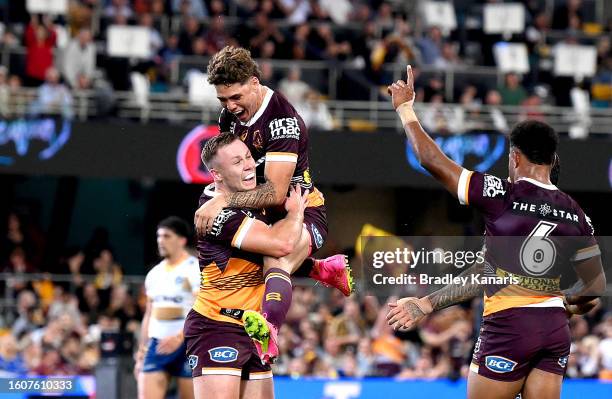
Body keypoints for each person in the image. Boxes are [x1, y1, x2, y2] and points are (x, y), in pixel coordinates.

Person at [386, 65, 606, 399]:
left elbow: (430, 159)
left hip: (510, 326)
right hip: (555, 331)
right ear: (552, 159)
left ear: (515, 157)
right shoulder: (576, 213)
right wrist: (564, 306)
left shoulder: (500, 192)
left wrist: (405, 108)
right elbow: (594, 287)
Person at [193, 46, 353, 363]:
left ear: (255, 82)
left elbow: (277, 193)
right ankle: (321, 269)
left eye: (236, 96)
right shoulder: (230, 116)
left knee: (275, 261)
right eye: (223, 100)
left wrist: (223, 199)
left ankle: (269, 330)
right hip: (262, 211)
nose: (230, 106)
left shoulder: (282, 121)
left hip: (300, 210)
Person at [184, 132, 309, 399]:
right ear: (217, 174)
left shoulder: (250, 197)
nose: (250, 165)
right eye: (237, 162)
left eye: (249, 157)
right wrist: (297, 213)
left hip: (254, 328)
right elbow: (283, 245)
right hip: (216, 325)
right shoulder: (217, 213)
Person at [135, 217, 199, 399]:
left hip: (187, 345)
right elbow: (149, 315)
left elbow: (200, 309)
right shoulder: (154, 274)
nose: (160, 241)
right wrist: (141, 351)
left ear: (182, 240)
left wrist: (180, 337)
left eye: (166, 236)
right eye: (158, 236)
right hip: (157, 345)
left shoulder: (194, 269)